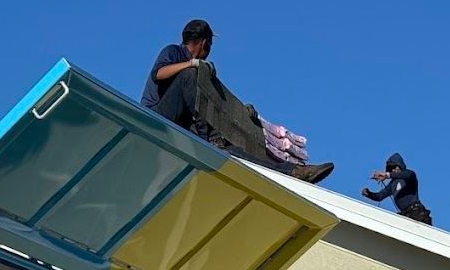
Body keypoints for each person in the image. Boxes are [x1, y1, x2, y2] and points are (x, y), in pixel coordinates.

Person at [142, 19, 334, 184]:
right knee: (191, 75)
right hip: (155, 118)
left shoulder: (195, 73)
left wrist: (242, 113)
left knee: (230, 149)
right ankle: (212, 136)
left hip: (180, 125)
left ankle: (292, 171)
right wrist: (193, 63)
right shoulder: (175, 53)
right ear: (204, 42)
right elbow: (159, 74)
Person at [362, 153, 432, 225]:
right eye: (391, 169)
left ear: (400, 166)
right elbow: (380, 196)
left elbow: (407, 175)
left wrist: (387, 175)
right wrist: (369, 194)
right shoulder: (393, 184)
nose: (394, 170)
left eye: (395, 167)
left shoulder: (409, 175)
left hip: (416, 212)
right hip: (405, 215)